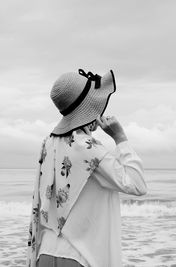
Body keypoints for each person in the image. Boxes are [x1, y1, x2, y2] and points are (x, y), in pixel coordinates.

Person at [26, 68, 147, 267]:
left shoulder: (47, 143)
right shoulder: (89, 148)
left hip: (45, 253)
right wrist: (120, 138)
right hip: (80, 256)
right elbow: (137, 185)